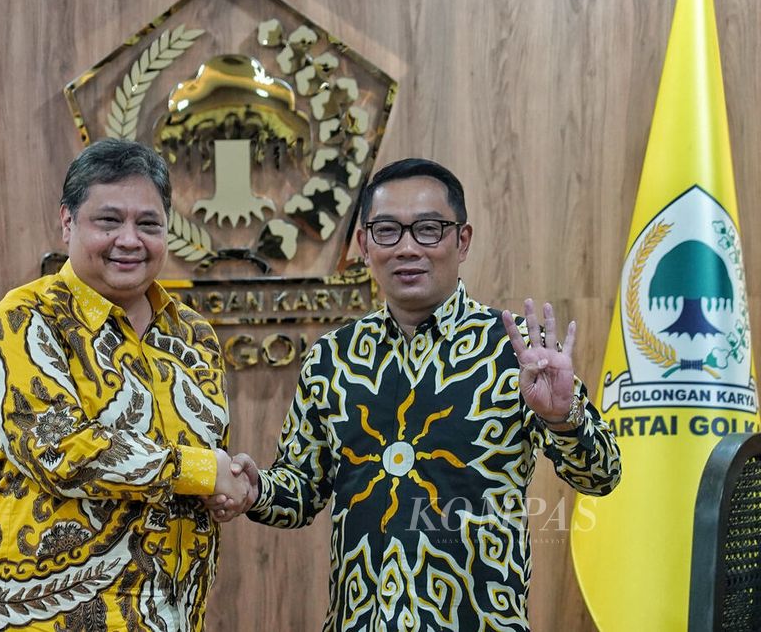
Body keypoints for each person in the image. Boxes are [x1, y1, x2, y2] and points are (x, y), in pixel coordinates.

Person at [208, 158, 622, 631]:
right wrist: (254, 489)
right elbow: (302, 491)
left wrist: (563, 417)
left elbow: (603, 476)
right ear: (364, 244)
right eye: (387, 231)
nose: (407, 248)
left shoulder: (516, 354)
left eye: (428, 229)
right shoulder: (332, 358)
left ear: (462, 241)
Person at [0, 138, 251, 632]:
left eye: (148, 224)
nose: (129, 239)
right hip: (46, 618)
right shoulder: (27, 318)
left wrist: (228, 490)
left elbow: (200, 467)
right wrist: (206, 471)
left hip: (171, 614)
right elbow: (58, 452)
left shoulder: (194, 335)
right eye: (108, 220)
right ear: (67, 220)